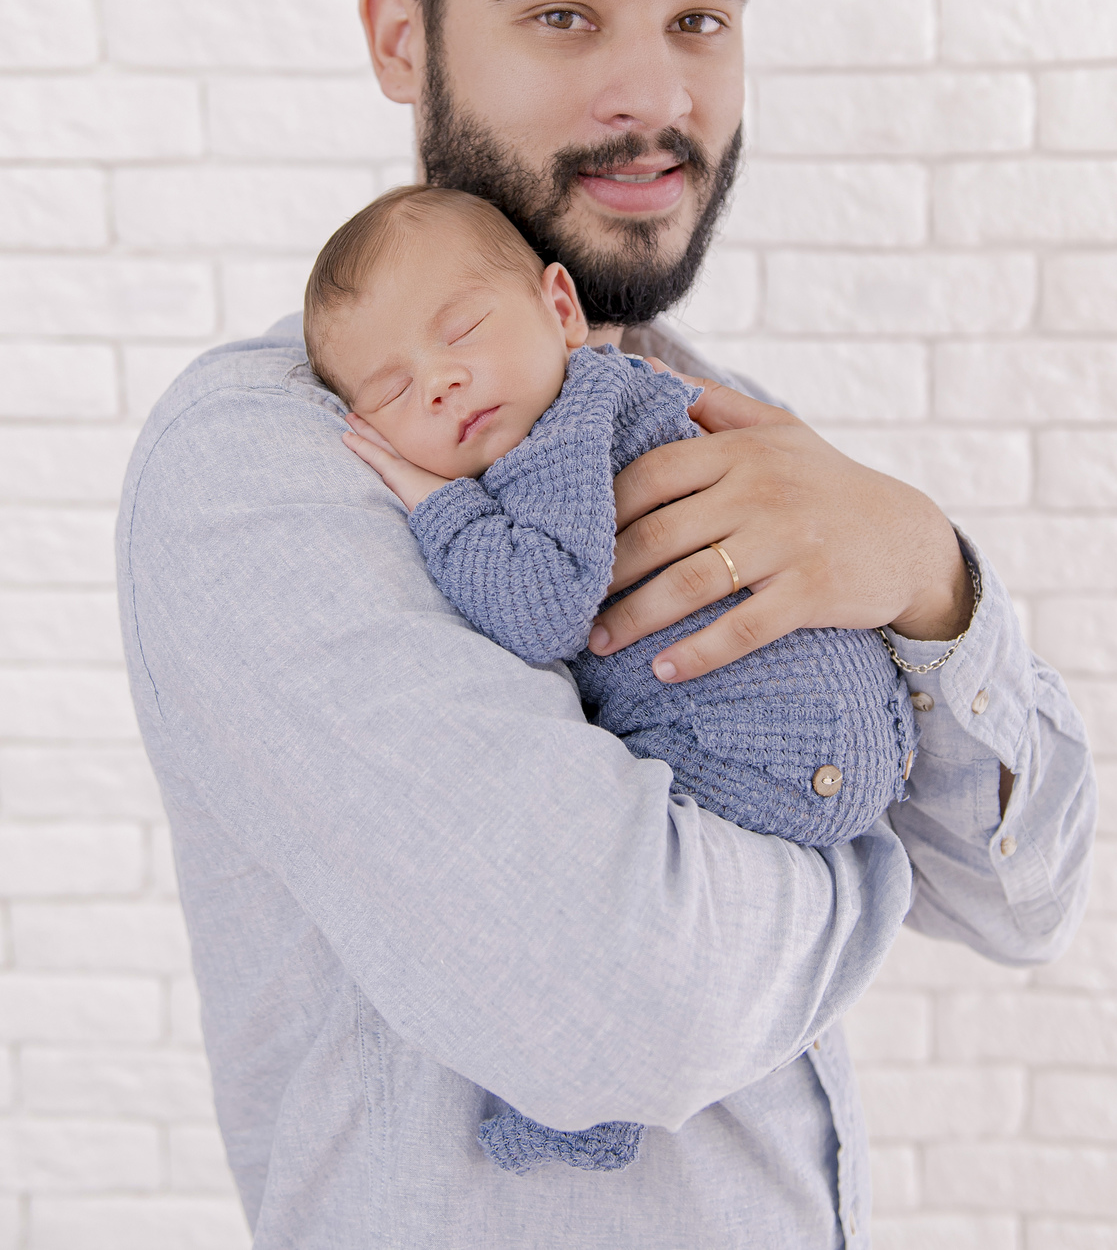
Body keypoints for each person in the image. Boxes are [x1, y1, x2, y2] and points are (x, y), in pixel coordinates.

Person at [117, 0, 1096, 1250]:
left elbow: (1028, 898)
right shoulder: (271, 466)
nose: (653, 94)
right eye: (565, 15)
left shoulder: (737, 431)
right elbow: (628, 1011)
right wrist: (858, 858)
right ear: (401, 36)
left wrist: (929, 575)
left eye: (700, 18)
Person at [302, 181, 921, 1174]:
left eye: (462, 332)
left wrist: (431, 502)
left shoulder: (568, 425)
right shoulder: (610, 399)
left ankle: (586, 1107)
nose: (442, 383)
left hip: (766, 745)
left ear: (560, 308)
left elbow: (541, 608)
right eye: (391, 392)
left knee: (595, 918)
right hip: (856, 723)